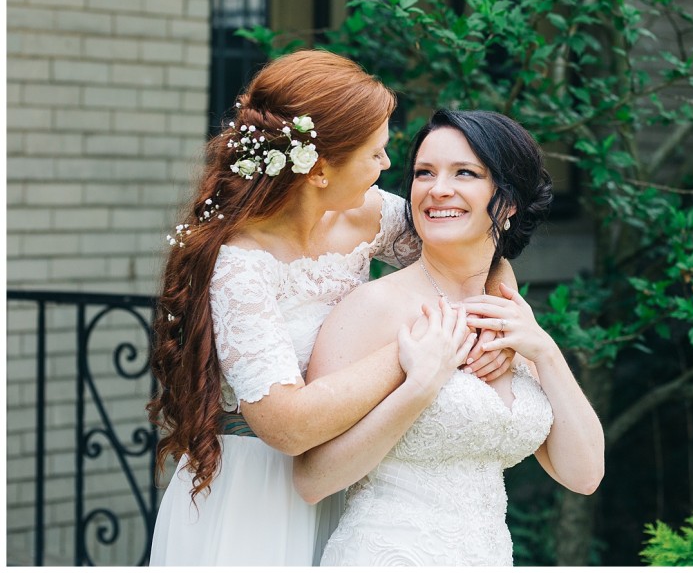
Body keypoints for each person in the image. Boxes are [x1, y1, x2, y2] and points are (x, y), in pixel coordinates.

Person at [146, 51, 513, 566]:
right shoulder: (240, 265)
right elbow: (286, 425)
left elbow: (474, 247)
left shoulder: (367, 215)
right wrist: (412, 356)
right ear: (319, 170)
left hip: (355, 482)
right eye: (375, 154)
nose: (388, 167)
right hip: (257, 499)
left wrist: (495, 325)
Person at [293, 109, 605, 566]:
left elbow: (584, 475)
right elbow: (312, 480)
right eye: (424, 173)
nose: (438, 189)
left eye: (465, 173)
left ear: (510, 200)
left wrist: (544, 349)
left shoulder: (508, 316)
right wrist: (419, 387)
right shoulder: (373, 308)